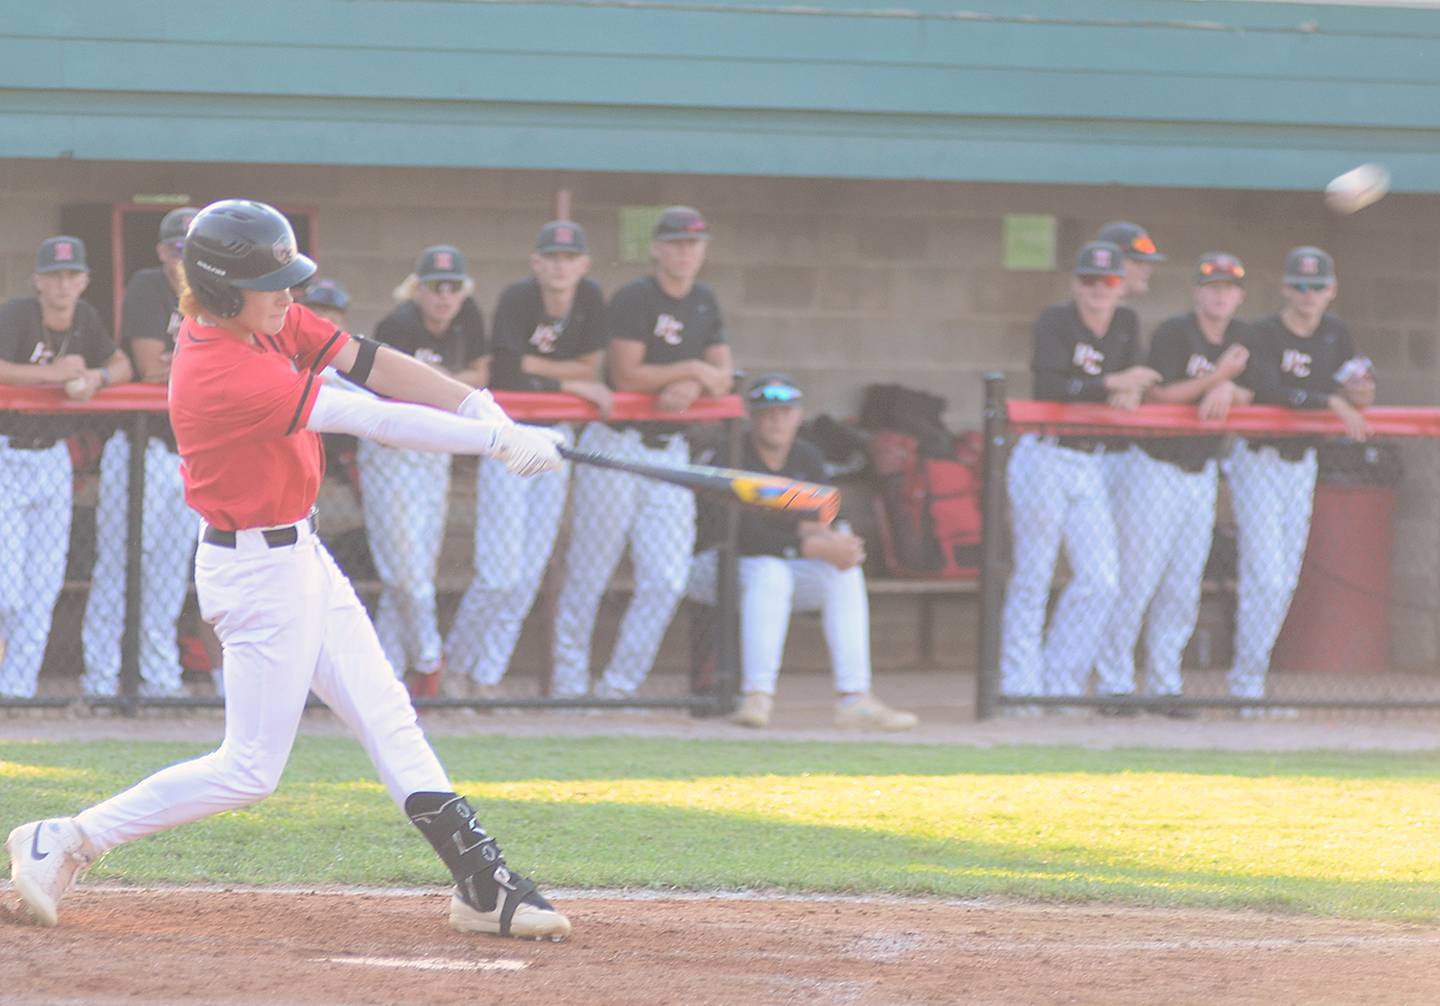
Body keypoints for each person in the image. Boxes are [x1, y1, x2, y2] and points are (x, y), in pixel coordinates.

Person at [5, 199, 570, 940]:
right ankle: (65, 838)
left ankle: (480, 884)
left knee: (387, 714)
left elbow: (368, 360)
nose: (288, 294)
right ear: (221, 289)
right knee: (249, 769)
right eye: (271, 283)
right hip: (254, 573)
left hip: (300, 553)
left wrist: (479, 405)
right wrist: (494, 443)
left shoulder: (262, 319)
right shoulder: (220, 367)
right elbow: (370, 415)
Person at [551, 206, 733, 700]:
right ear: (656, 248)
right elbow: (627, 375)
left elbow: (723, 377)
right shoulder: (636, 297)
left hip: (670, 452)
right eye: (675, 243)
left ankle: (618, 687)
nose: (685, 252)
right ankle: (568, 685)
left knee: (667, 579)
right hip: (617, 447)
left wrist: (696, 382)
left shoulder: (705, 300)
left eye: (693, 243)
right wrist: (692, 370)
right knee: (590, 571)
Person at [687, 375, 917, 730]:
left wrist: (838, 544)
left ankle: (855, 699)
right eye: (767, 413)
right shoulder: (731, 452)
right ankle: (757, 696)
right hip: (712, 567)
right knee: (770, 571)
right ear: (752, 416)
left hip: (777, 567)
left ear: (798, 415)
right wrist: (811, 544)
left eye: (784, 412)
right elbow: (742, 536)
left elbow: (817, 520)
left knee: (842, 572)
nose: (776, 421)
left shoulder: (806, 456)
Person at [445, 221, 610, 698]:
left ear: (584, 264)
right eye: (551, 257)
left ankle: (487, 678)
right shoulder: (518, 298)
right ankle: (455, 667)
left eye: (569, 258)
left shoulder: (590, 298)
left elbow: (591, 367)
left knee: (529, 573)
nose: (560, 266)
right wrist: (570, 382)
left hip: (556, 439)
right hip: (512, 434)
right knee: (499, 573)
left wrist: (547, 372)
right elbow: (510, 370)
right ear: (536, 262)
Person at [998, 241, 1159, 708]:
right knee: (1034, 575)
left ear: (1121, 285)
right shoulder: (1056, 320)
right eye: (1089, 280)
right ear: (1075, 284)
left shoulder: (1126, 322)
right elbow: (1050, 385)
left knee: (1102, 579)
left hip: (1089, 462)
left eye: (1108, 281)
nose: (1098, 289)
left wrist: (1130, 391)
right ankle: (1019, 685)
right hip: (1045, 457)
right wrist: (1111, 384)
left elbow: (1138, 375)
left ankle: (1061, 682)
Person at [1094, 253, 1252, 717]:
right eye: (1212, 286)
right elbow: (1159, 394)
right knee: (1137, 579)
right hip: (1155, 469)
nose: (1220, 295)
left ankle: (1166, 684)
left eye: (1228, 288)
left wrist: (1228, 389)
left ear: (1239, 296)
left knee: (1183, 584)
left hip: (1201, 474)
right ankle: (1115, 684)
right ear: (1197, 291)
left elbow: (1256, 392)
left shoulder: (1243, 338)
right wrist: (1217, 378)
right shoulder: (1174, 332)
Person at [1226, 246, 1372, 714]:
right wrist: (1331, 402)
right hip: (1259, 460)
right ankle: (1246, 686)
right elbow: (1270, 391)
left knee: (1284, 579)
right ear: (1286, 288)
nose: (1309, 294)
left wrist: (1359, 394)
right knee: (1266, 577)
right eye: (1301, 285)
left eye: (1318, 286)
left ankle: (1251, 683)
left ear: (1332, 290)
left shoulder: (1336, 333)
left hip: (1301, 463)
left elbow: (1356, 385)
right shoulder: (1262, 333)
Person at [0, 236, 132, 699]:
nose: (62, 284)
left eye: (71, 275)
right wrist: (53, 374)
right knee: (7, 590)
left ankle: (16, 692)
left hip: (54, 457)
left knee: (44, 584)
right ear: (37, 280)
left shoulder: (86, 319)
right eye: (54, 275)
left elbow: (122, 364)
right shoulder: (17, 314)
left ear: (84, 281)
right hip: (7, 451)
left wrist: (97, 376)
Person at [81, 207, 202, 699]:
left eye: (194, 250)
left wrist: (186, 361)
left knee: (170, 571)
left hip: (191, 454)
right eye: (177, 249)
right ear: (162, 252)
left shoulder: (220, 293)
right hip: (142, 448)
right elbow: (150, 367)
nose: (184, 259)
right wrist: (208, 360)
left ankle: (159, 676)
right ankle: (101, 676)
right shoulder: (148, 286)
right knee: (119, 563)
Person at [361, 246, 489, 699]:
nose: (444, 296)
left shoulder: (468, 317)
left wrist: (438, 380)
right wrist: (449, 383)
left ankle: (385, 678)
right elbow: (398, 388)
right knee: (405, 574)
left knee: (418, 572)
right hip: (392, 454)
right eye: (435, 287)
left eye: (453, 287)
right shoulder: (398, 324)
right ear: (417, 289)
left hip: (435, 451)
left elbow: (480, 373)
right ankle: (429, 660)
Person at [1096, 220, 1167, 299]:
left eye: (1148, 262)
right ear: (1110, 262)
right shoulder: (1093, 305)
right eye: (1138, 261)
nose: (1148, 269)